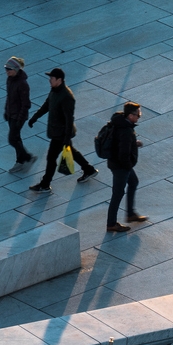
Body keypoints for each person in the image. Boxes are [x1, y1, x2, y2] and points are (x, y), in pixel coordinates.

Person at [27, 67, 98, 190]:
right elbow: (47, 105)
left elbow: (69, 119)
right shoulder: (54, 90)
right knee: (71, 151)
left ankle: (45, 184)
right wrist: (35, 117)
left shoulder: (66, 96)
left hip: (61, 133)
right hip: (57, 131)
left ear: (59, 80)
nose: (49, 80)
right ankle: (89, 169)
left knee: (51, 158)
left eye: (52, 78)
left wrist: (66, 138)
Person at [100, 102, 146, 233]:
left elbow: (118, 143)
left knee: (133, 182)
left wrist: (133, 143)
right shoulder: (125, 130)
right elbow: (123, 153)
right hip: (120, 167)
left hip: (117, 164)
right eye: (138, 115)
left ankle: (131, 213)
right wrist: (128, 166)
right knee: (118, 194)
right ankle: (111, 224)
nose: (139, 117)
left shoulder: (119, 123)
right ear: (131, 115)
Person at [3, 57, 34, 165]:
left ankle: (28, 157)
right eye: (6, 69)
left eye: (9, 69)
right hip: (11, 114)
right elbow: (9, 97)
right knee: (16, 138)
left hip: (19, 117)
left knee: (12, 139)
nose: (7, 71)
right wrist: (6, 111)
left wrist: (19, 119)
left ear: (15, 69)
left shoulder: (22, 84)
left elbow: (26, 104)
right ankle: (20, 161)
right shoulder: (10, 80)